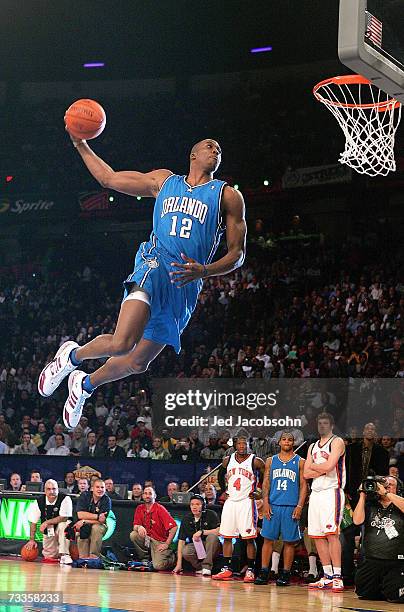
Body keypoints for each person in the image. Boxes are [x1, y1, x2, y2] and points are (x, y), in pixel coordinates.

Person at [38, 136, 246, 431]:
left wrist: (205, 271)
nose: (216, 151)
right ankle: (70, 356)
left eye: (220, 149)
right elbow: (107, 178)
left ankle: (84, 384)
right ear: (193, 154)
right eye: (210, 146)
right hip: (154, 265)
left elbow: (237, 254)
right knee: (123, 343)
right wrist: (80, 144)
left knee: (138, 363)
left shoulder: (227, 196)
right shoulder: (164, 181)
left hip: (185, 286)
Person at [255, 432, 307, 586]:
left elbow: (304, 486)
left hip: (291, 506)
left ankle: (285, 573)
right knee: (268, 539)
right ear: (279, 442)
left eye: (290, 440)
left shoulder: (300, 462)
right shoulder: (271, 461)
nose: (287, 442)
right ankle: (264, 571)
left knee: (289, 542)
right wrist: (265, 502)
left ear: (294, 443)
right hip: (273, 505)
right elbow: (266, 483)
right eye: (284, 439)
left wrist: (299, 506)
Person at [212, 435, 265, 583]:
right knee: (227, 537)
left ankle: (250, 569)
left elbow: (266, 473)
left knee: (249, 538)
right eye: (239, 444)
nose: (242, 446)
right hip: (231, 502)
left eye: (244, 443)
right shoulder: (227, 460)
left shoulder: (255, 460)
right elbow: (221, 474)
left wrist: (260, 491)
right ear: (235, 445)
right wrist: (224, 489)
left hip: (247, 502)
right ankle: (227, 569)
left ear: (248, 445)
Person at [304, 412, 346, 593]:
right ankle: (327, 575)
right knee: (317, 536)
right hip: (316, 493)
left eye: (325, 423)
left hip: (332, 491)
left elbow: (330, 467)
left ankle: (338, 576)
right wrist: (320, 468)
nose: (322, 426)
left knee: (331, 534)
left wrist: (314, 466)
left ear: (332, 425)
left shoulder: (337, 442)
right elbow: (305, 474)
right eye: (319, 423)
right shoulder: (312, 446)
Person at [353, 476, 404, 603]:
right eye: (383, 483)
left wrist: (386, 493)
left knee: (398, 597)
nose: (386, 485)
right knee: (364, 594)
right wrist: (362, 496)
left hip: (396, 562)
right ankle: (383, 588)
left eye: (390, 484)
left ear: (397, 489)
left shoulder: (400, 503)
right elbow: (357, 520)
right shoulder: (370, 505)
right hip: (372, 560)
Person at [26, 479, 73, 564]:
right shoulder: (39, 501)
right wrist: (32, 540)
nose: (52, 491)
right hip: (49, 530)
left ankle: (65, 554)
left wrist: (47, 522)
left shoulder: (65, 498)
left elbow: (64, 517)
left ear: (58, 489)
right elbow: (33, 522)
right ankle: (55, 553)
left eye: (54, 489)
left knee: (64, 524)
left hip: (63, 529)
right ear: (44, 490)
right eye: (49, 489)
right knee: (49, 556)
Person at [130, 486, 177, 570]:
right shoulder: (139, 508)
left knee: (158, 566)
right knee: (134, 535)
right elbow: (135, 526)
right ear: (142, 495)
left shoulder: (160, 509)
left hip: (159, 541)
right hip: (148, 539)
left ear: (155, 496)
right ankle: (145, 558)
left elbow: (174, 527)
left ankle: (173, 558)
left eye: (150, 493)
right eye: (145, 493)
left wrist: (166, 544)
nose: (147, 496)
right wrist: (139, 527)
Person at [173, 494, 220, 576]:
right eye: (192, 504)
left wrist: (202, 532)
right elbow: (181, 541)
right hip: (196, 546)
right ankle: (200, 567)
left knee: (212, 537)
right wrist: (179, 564)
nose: (194, 507)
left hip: (212, 546)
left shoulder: (211, 514)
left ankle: (207, 567)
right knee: (186, 551)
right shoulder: (186, 519)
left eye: (197, 504)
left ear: (203, 506)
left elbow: (219, 531)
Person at [75, 478, 111, 558]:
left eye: (102, 487)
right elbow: (80, 514)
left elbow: (102, 521)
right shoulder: (84, 495)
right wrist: (97, 516)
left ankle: (94, 557)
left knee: (96, 528)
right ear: (92, 488)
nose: (100, 489)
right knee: (82, 528)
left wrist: (85, 521)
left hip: (100, 525)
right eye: (97, 487)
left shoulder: (106, 500)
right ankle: (83, 558)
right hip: (84, 524)